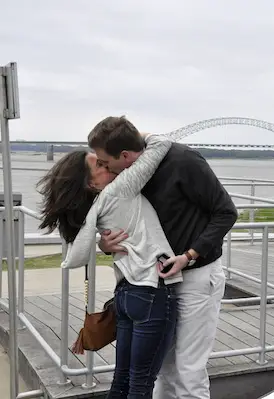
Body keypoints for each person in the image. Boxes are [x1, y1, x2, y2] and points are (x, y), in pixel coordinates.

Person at [88, 116, 238, 399]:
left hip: (196, 277)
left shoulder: (183, 161)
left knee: (188, 370)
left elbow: (226, 212)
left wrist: (189, 256)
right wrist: (105, 245)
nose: (104, 168)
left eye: (106, 162)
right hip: (155, 287)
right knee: (161, 369)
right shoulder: (129, 176)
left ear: (125, 155)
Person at [37, 132, 182, 398]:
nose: (108, 166)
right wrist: (130, 136)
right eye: (100, 166)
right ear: (90, 183)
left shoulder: (95, 207)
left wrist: (101, 247)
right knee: (141, 384)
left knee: (122, 380)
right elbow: (161, 143)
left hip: (126, 295)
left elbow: (79, 245)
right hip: (151, 291)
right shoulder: (120, 189)